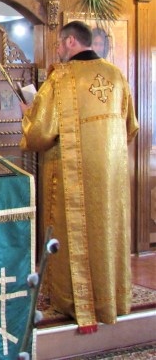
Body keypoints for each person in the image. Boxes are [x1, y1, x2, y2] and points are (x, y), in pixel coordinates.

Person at [19, 20, 138, 332]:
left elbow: (41, 133)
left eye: (59, 43)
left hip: (70, 177)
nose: (58, 49)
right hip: (111, 177)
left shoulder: (61, 78)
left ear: (71, 42)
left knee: (74, 233)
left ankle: (74, 300)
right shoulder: (116, 75)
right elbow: (131, 127)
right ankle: (110, 298)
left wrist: (28, 114)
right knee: (106, 230)